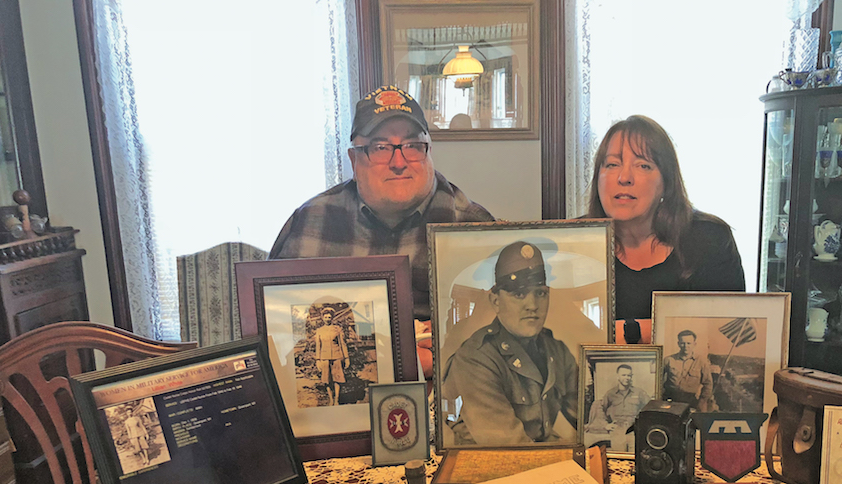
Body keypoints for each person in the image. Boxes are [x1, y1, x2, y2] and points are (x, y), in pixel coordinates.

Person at [269, 85, 494, 322]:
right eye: (380, 148)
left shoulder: (474, 228)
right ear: (354, 160)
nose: (399, 162)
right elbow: (275, 321)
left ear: (429, 152)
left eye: (412, 146)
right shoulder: (309, 222)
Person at [586, 115, 745, 339]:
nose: (624, 177)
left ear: (666, 183)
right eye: (612, 164)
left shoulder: (711, 239)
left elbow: (729, 332)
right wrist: (660, 329)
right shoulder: (574, 241)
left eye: (643, 165)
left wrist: (625, 333)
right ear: (598, 178)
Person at [443, 241, 579, 445]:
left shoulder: (556, 351)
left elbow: (590, 419)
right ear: (496, 301)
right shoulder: (475, 358)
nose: (532, 305)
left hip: (537, 453)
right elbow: (509, 445)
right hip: (489, 460)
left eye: (540, 293)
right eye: (519, 294)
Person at [586, 364, 652, 438]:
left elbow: (650, 407)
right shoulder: (610, 394)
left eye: (629, 375)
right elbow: (600, 408)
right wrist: (605, 425)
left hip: (634, 430)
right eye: (623, 375)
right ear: (618, 376)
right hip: (617, 430)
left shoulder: (639, 393)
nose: (626, 378)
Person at [662, 330, 714, 411]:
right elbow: (658, 380)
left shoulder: (701, 361)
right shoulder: (669, 360)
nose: (685, 346)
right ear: (678, 344)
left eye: (689, 343)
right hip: (671, 400)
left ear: (694, 344)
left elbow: (708, 383)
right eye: (683, 343)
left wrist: (702, 401)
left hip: (692, 401)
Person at [313, 307, 349, 406]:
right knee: (326, 379)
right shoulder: (319, 331)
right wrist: (318, 360)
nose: (327, 319)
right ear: (322, 318)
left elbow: (342, 344)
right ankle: (331, 399)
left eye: (329, 317)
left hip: (337, 356)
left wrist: (346, 358)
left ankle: (336, 399)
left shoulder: (337, 329)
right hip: (324, 358)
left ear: (332, 318)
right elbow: (318, 346)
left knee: (337, 378)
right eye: (325, 317)